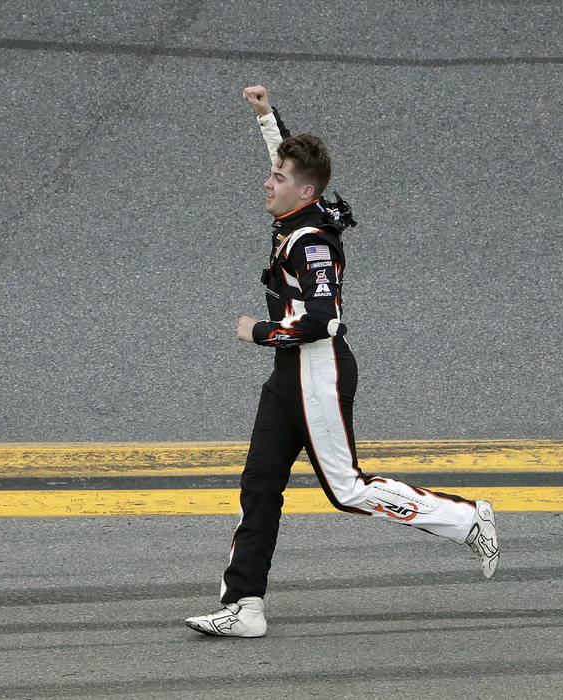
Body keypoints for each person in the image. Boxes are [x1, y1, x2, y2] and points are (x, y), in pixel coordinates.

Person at [184, 86, 500, 638]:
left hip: (317, 370)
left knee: (347, 490)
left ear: (303, 191)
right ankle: (245, 607)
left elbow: (324, 321)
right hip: (289, 376)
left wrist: (257, 331)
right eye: (271, 172)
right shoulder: (304, 203)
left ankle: (465, 518)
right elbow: (291, 158)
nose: (267, 180)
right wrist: (267, 119)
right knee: (259, 485)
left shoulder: (312, 244)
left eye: (277, 178)